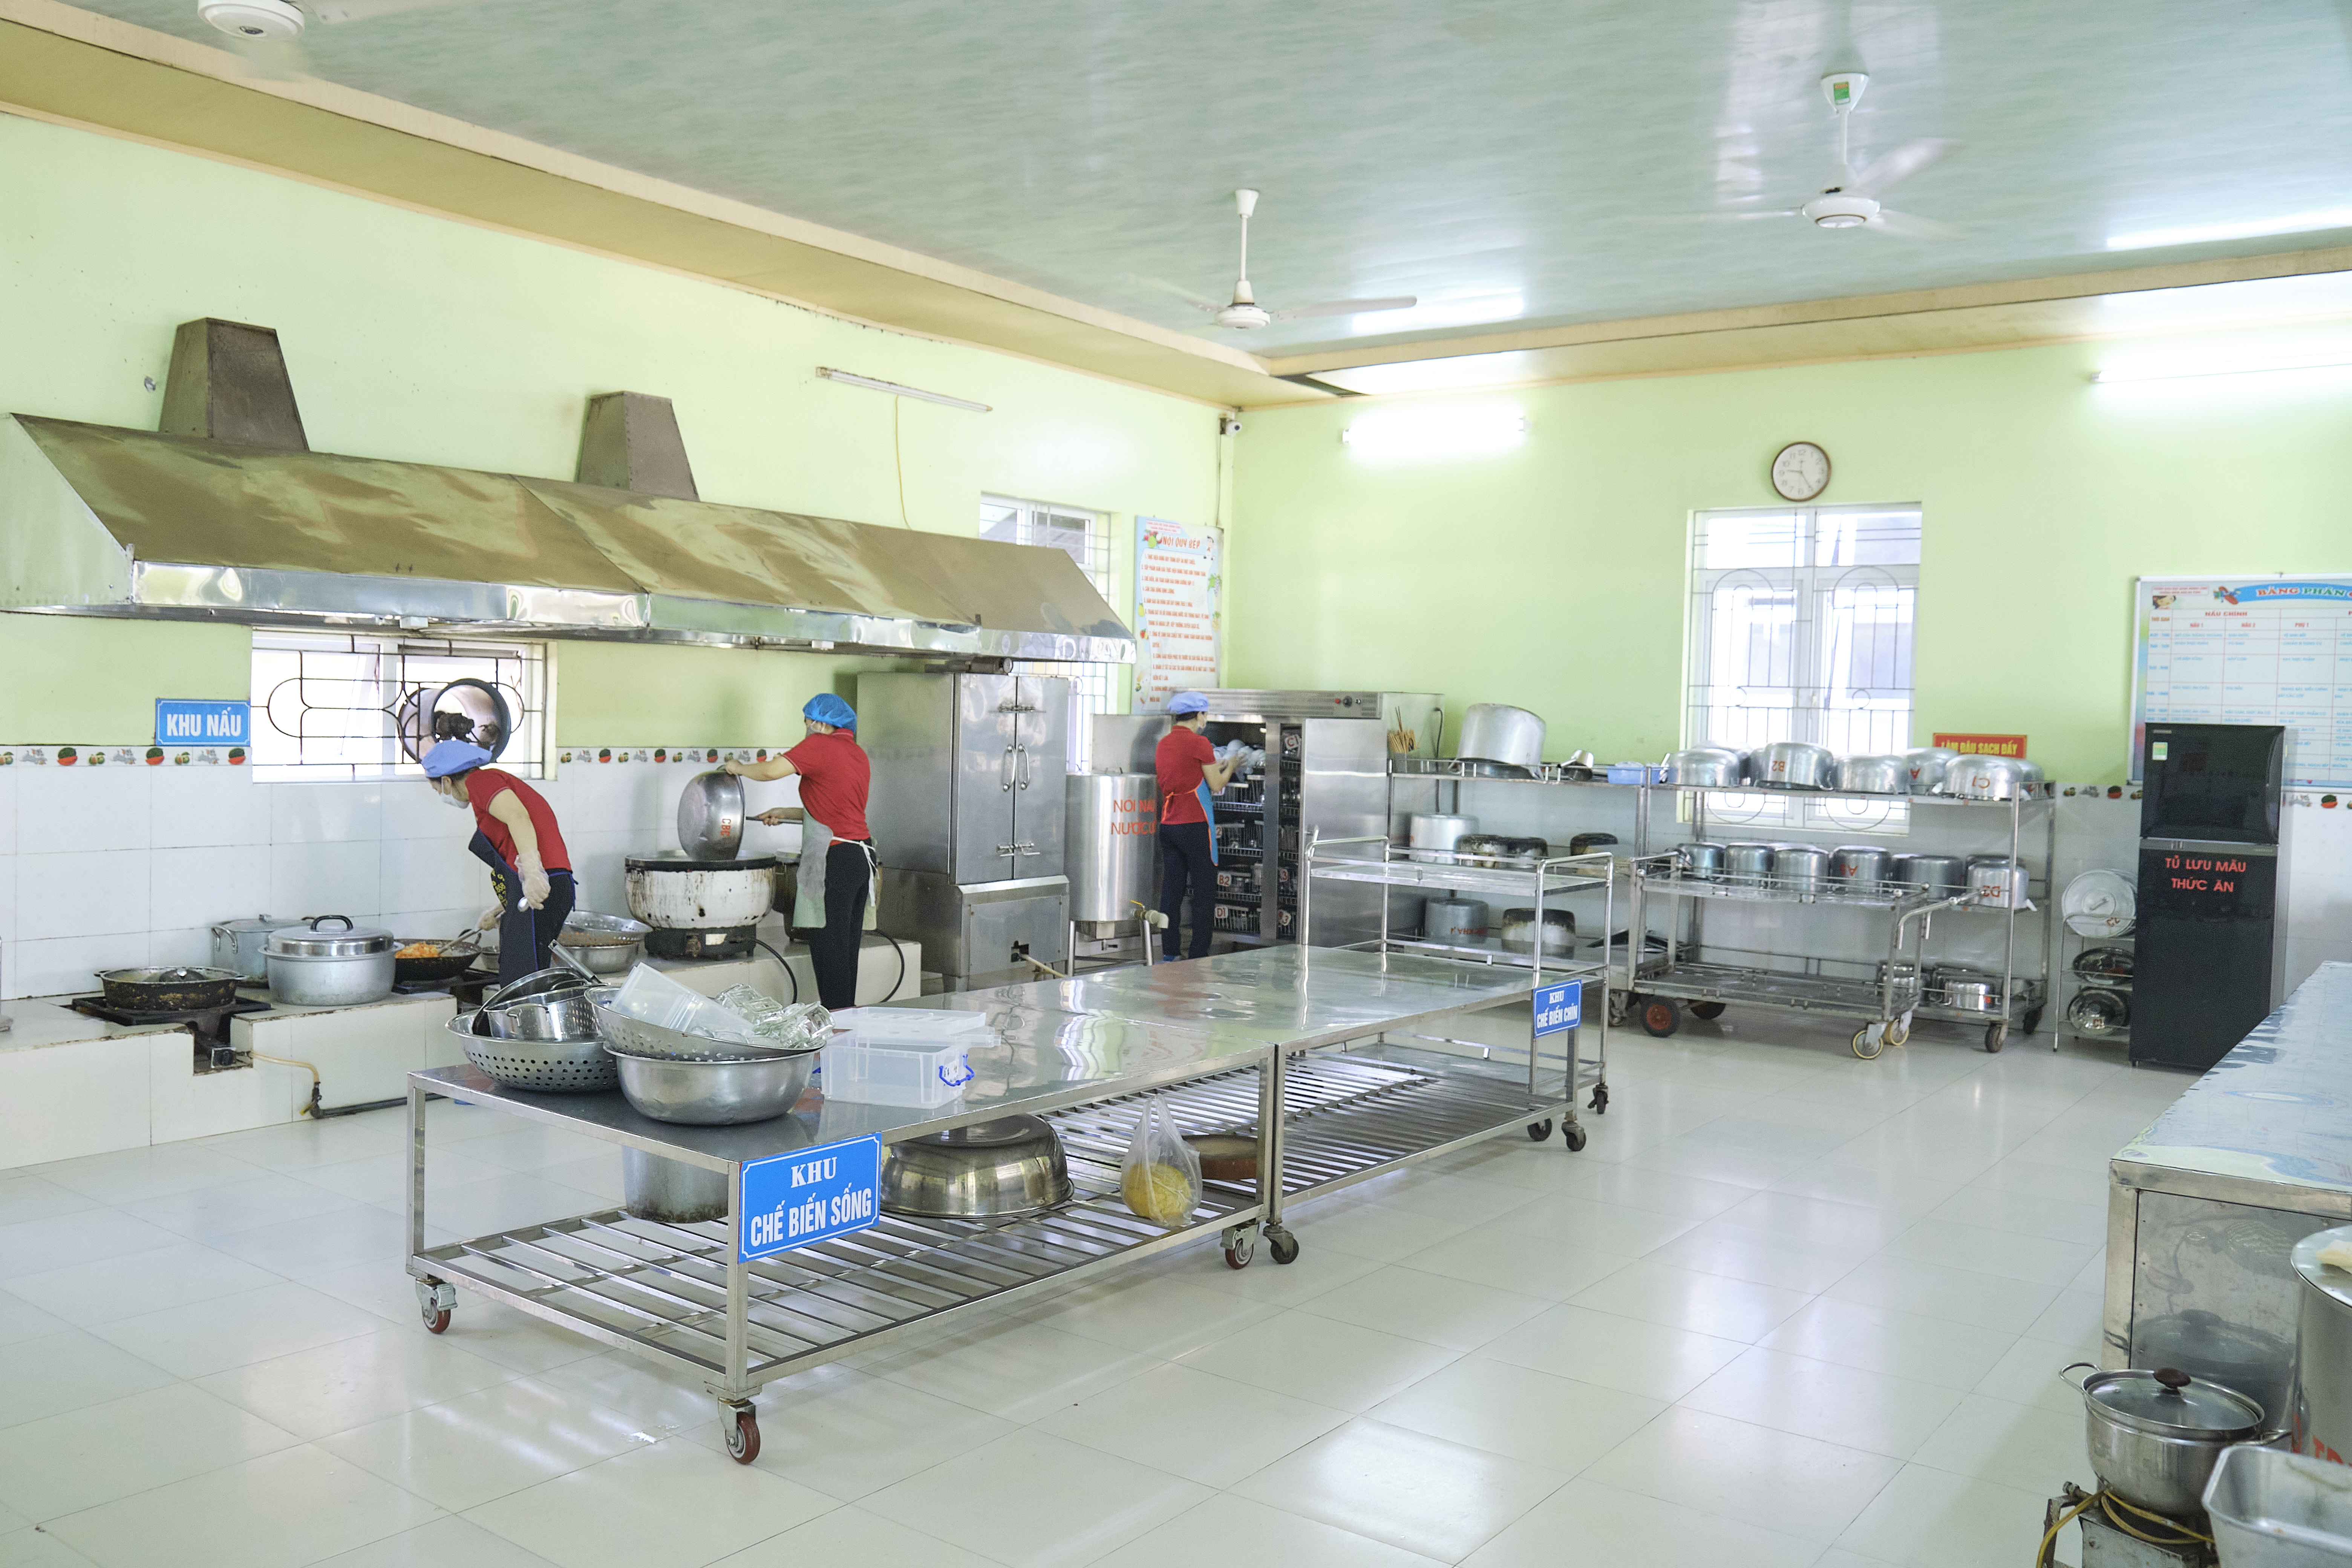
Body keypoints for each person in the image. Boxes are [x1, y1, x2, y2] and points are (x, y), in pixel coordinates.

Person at [724, 694, 875, 1009]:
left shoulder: (820, 744)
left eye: (808, 722)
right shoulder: (857, 753)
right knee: (845, 948)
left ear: (821, 723)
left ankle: (839, 1023)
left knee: (828, 946)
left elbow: (770, 772)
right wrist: (785, 812)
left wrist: (738, 768)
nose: (807, 729)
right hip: (861, 857)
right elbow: (836, 808)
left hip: (836, 858)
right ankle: (847, 1019)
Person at [423, 739, 576, 987]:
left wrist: (533, 873)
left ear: (447, 781)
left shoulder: (481, 781)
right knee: (522, 977)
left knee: (523, 982)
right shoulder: (486, 789)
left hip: (547, 883)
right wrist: (501, 909)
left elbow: (519, 818)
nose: (442, 795)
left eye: (437, 789)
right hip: (546, 885)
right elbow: (515, 849)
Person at [1155, 691, 1239, 961]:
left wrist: (1216, 764)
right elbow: (1216, 784)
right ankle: (1198, 955)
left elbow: (1188, 772)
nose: (1206, 719)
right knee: (1204, 893)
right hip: (1195, 826)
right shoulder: (1199, 743)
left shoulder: (1164, 744)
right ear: (1199, 715)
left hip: (1169, 825)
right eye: (1205, 714)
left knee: (1172, 893)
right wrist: (1232, 765)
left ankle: (1170, 953)